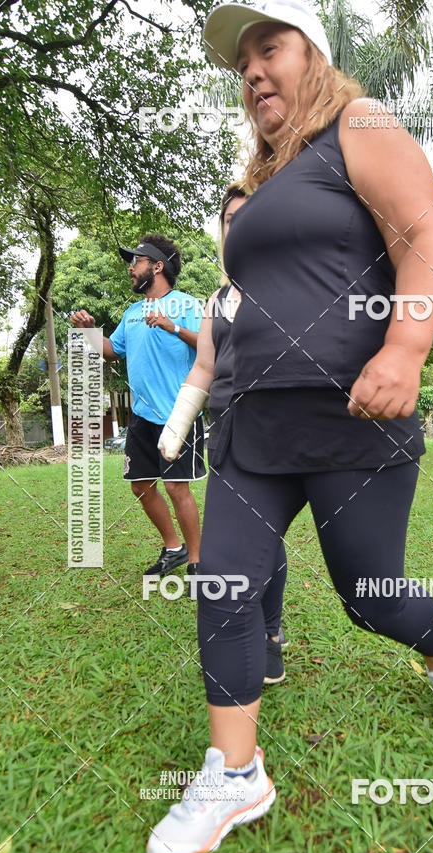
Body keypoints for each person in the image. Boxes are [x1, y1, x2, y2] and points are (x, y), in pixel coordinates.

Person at [147, 0, 433, 853]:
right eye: (243, 62)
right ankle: (235, 772)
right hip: (255, 422)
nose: (253, 70)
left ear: (315, 55)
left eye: (271, 48)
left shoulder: (358, 124)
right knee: (222, 583)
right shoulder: (259, 176)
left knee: (369, 595)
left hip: (353, 416)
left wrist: (408, 346)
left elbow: (425, 236)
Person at [161, 184, 288, 684]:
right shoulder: (216, 299)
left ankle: (270, 632)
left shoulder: (289, 287)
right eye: (228, 219)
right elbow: (203, 368)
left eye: (248, 216)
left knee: (274, 539)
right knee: (233, 549)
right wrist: (177, 426)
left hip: (282, 429)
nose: (237, 226)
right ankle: (249, 636)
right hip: (229, 433)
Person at [70, 234, 206, 580]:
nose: (131, 268)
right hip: (141, 416)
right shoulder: (132, 313)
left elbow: (211, 346)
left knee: (177, 488)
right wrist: (89, 331)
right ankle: (173, 548)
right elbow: (112, 350)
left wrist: (171, 326)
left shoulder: (187, 305)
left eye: (137, 261)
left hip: (180, 414)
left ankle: (198, 561)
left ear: (157, 266)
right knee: (141, 485)